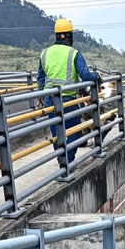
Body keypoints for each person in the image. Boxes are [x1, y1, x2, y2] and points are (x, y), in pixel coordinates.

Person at [38, 18, 101, 168]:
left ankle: (62, 161)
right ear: (69, 36)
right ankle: (68, 161)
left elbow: (40, 78)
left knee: (57, 133)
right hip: (68, 98)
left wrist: (42, 93)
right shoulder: (73, 53)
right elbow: (85, 75)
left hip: (50, 99)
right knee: (74, 131)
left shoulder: (45, 53)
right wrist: (96, 76)